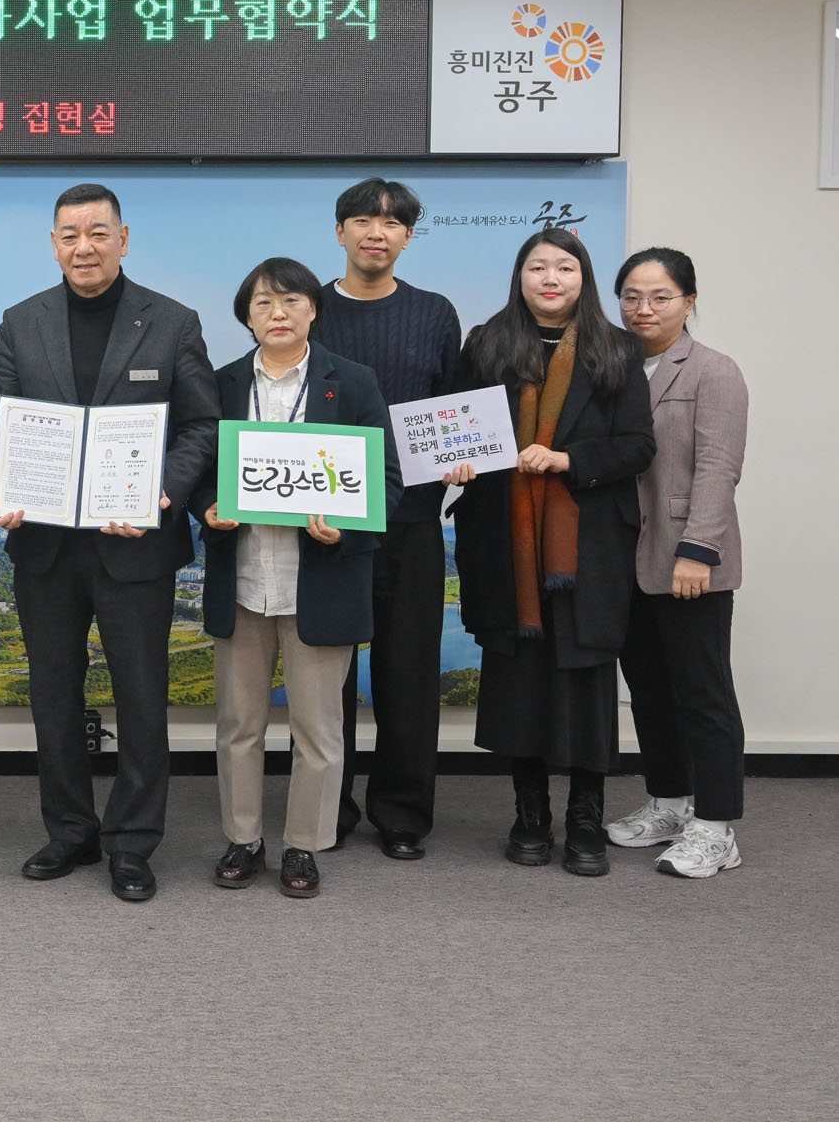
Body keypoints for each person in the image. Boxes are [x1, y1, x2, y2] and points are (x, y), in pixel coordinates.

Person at [0, 183, 221, 902]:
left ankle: (133, 841)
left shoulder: (173, 322)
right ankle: (70, 830)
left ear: (123, 238)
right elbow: (0, 424)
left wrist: (162, 492)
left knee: (142, 697)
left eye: (97, 232)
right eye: (69, 235)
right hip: (46, 545)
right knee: (53, 695)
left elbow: (200, 425)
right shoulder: (21, 321)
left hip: (135, 542)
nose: (83, 247)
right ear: (53, 244)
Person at [448, 228, 654, 876]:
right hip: (505, 540)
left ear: (582, 278)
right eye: (538, 267)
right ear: (520, 277)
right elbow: (457, 428)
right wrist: (456, 462)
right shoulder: (487, 344)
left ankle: (586, 817)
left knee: (586, 680)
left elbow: (638, 445)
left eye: (565, 267)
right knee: (520, 683)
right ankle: (530, 812)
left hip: (586, 545)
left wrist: (567, 459)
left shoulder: (616, 348)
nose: (550, 278)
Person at [196, 258, 401, 899]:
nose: (277, 313)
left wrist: (346, 528)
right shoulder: (223, 384)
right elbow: (198, 466)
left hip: (321, 581)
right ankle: (243, 838)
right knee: (239, 725)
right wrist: (208, 509)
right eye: (262, 303)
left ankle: (304, 846)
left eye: (290, 301)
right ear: (246, 317)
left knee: (318, 732)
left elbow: (387, 482)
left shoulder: (354, 382)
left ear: (314, 309)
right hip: (244, 581)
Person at [308, 177, 463, 858]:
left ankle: (402, 814)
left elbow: (451, 406)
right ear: (340, 231)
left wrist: (461, 456)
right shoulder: (310, 308)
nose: (378, 232)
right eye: (364, 220)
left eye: (393, 222)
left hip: (412, 520)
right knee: (327, 678)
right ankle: (328, 810)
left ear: (407, 236)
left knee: (409, 673)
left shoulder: (434, 313)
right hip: (326, 522)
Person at [606, 248, 749, 878]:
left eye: (660, 297)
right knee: (648, 690)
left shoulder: (713, 371)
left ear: (688, 301)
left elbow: (719, 468)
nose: (644, 308)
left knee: (702, 692)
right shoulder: (613, 369)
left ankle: (716, 827)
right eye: (632, 296)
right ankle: (668, 802)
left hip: (687, 557)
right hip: (625, 558)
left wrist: (697, 551)